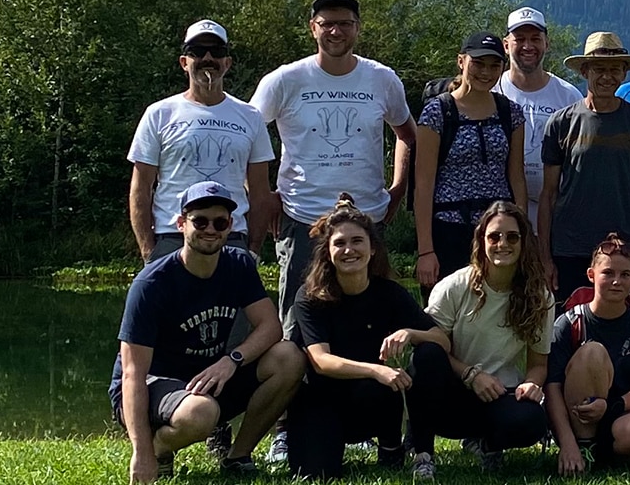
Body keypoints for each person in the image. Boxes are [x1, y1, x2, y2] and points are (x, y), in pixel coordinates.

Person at [251, 0, 417, 339]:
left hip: (368, 219)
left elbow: (407, 134)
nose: (336, 32)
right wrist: (265, 197)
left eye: (345, 24)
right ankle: (294, 390)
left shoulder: (382, 79)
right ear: (313, 28)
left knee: (374, 325)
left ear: (358, 28)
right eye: (327, 24)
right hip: (301, 219)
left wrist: (398, 189)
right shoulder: (284, 80)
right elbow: (247, 136)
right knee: (296, 328)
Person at [112, 182, 304, 483]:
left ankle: (237, 457)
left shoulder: (238, 265)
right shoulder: (152, 284)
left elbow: (271, 327)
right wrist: (141, 452)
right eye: (200, 221)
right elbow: (133, 373)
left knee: (289, 357)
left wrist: (232, 360)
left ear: (229, 227)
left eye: (220, 222)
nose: (210, 229)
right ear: (181, 224)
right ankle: (157, 448)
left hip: (210, 376)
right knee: (201, 413)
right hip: (154, 384)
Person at [284, 195, 455, 479]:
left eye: (357, 241)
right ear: (327, 251)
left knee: (423, 358)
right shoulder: (310, 297)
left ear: (373, 249)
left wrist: (410, 333)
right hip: (323, 395)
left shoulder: (389, 292)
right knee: (315, 473)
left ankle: (392, 447)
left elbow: (443, 341)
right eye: (339, 243)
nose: (348, 250)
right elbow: (321, 361)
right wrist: (377, 370)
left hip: (373, 396)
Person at [418, 202, 555, 476]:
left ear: (524, 242)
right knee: (426, 355)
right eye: (494, 236)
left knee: (532, 420)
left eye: (512, 237)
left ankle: (488, 444)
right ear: (482, 241)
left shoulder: (540, 297)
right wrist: (471, 375)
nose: (502, 244)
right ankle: (422, 454)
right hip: (452, 392)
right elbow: (430, 346)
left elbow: (538, 364)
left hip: (499, 394)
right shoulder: (454, 286)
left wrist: (531, 385)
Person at [128, 20, 274, 262]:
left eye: (217, 52)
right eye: (197, 52)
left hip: (231, 236)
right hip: (172, 236)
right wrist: (148, 251)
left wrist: (254, 249)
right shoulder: (159, 113)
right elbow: (140, 187)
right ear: (184, 63)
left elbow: (260, 192)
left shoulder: (250, 116)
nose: (208, 58)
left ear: (227, 63)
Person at [541, 32, 630, 307]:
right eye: (599, 69)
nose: (607, 77)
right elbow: (548, 195)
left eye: (615, 69)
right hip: (570, 249)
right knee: (569, 331)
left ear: (623, 73)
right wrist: (545, 257)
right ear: (585, 71)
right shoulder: (560, 123)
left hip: (625, 249)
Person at [412, 32, 529, 294]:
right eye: (478, 63)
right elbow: (423, 184)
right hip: (449, 231)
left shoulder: (511, 113)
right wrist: (426, 250)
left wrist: (522, 235)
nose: (486, 72)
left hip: (498, 233)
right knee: (445, 314)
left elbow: (516, 178)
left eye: (494, 65)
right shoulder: (437, 113)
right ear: (461, 62)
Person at [546, 233, 630, 475]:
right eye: (608, 273)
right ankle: (583, 449)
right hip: (576, 417)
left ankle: (607, 453)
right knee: (592, 351)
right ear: (591, 275)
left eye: (625, 275)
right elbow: (552, 388)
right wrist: (568, 443)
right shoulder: (569, 323)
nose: (616, 281)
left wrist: (611, 407)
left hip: (620, 412)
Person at [495, 7, 583, 227]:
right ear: (506, 45)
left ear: (547, 44)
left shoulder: (568, 95)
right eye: (520, 39)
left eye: (535, 39)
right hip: (501, 218)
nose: (528, 46)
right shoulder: (492, 92)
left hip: (557, 217)